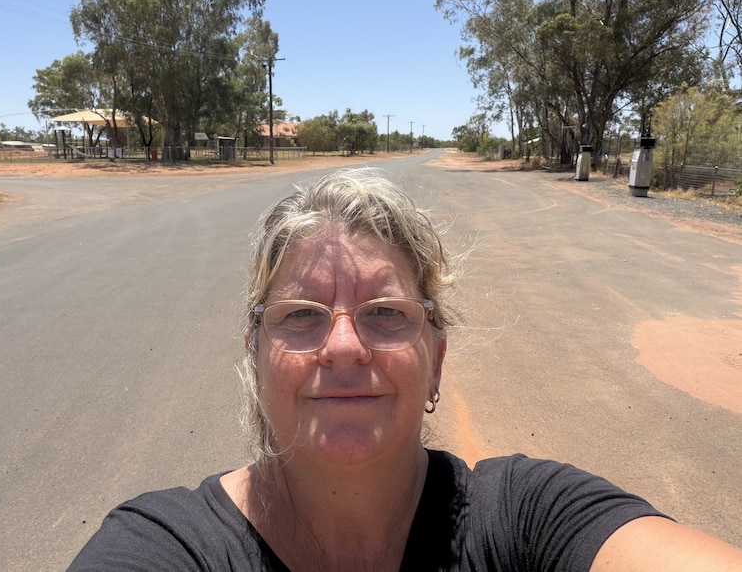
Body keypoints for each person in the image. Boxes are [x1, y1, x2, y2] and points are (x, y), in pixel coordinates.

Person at [67, 168, 742, 571]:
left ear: (436, 356)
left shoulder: (525, 517)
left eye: (385, 313)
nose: (343, 345)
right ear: (255, 354)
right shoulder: (172, 544)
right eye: (300, 314)